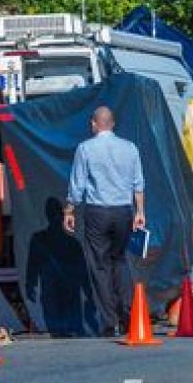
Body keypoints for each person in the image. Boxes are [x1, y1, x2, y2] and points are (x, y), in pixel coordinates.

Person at [63, 106, 145, 337]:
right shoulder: (130, 148)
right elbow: (138, 183)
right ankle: (129, 316)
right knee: (120, 261)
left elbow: (77, 184)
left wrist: (69, 210)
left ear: (94, 124)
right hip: (123, 211)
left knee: (99, 266)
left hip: (98, 211)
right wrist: (140, 211)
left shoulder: (86, 148)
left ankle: (109, 322)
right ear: (113, 123)